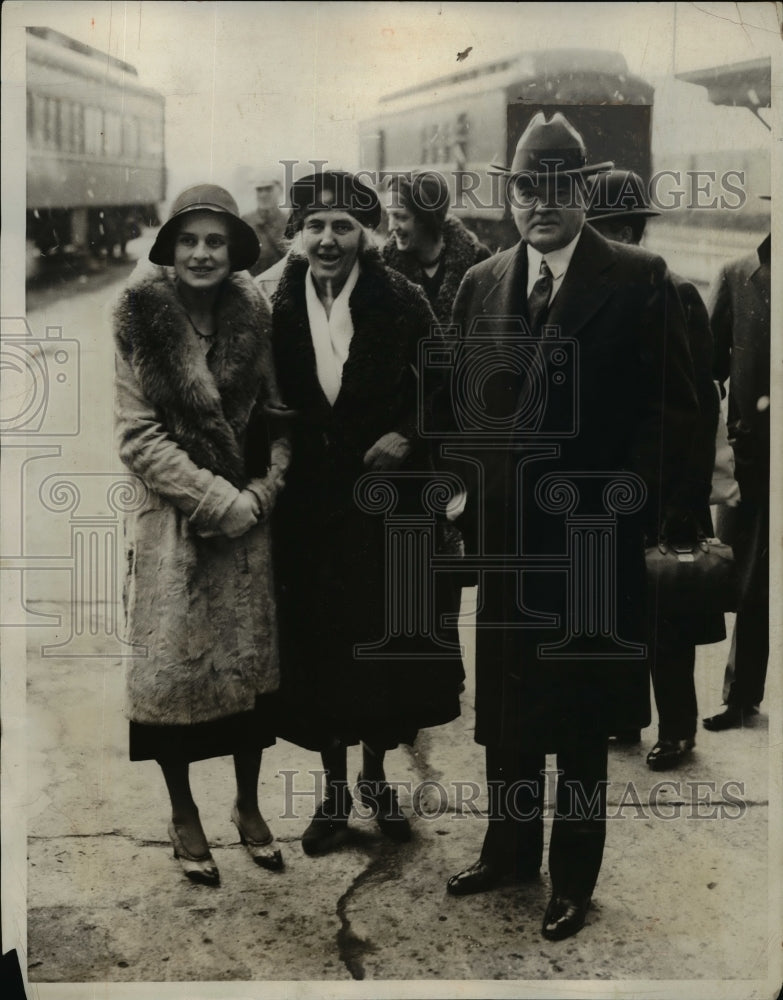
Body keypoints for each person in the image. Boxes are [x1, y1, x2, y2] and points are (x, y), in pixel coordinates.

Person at [441, 115, 699, 940]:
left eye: (558, 187)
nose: (540, 203)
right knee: (508, 707)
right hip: (508, 542)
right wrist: (465, 499)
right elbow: (457, 403)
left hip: (591, 541)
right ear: (509, 195)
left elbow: (674, 410)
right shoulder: (482, 281)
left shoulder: (639, 278)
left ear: (583, 192)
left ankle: (573, 877)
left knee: (583, 718)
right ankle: (509, 851)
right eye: (526, 187)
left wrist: (628, 504)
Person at [269, 170, 464, 855]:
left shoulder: (401, 298)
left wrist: (408, 434)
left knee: (381, 648)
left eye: (343, 226)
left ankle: (376, 778)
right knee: (319, 647)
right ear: (297, 234)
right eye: (315, 226)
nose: (328, 239)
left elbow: (447, 381)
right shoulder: (272, 301)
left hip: (386, 507)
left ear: (365, 235)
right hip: (307, 509)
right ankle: (331, 793)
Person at [114, 184, 290, 886]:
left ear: (234, 251)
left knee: (247, 672)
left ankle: (248, 804)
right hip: (176, 524)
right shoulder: (139, 319)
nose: (201, 254)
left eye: (216, 241)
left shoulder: (256, 316)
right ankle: (183, 812)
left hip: (249, 525)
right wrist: (218, 501)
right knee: (173, 676)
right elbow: (138, 437)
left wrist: (263, 493)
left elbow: (280, 418)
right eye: (188, 240)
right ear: (170, 249)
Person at [587, 170, 726, 768]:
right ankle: (624, 714)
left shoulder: (674, 292)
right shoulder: (595, 293)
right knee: (618, 603)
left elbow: (700, 402)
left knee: (668, 610)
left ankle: (678, 728)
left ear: (627, 231)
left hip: (666, 487)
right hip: (613, 483)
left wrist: (685, 498)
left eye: (606, 231)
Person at [702, 228, 771, 731]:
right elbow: (706, 370)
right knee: (749, 579)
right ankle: (741, 696)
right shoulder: (737, 275)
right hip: (755, 459)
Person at [382, 171, 491, 323]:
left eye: (401, 217)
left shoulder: (479, 260)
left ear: (427, 219)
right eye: (389, 216)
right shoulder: (385, 265)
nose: (391, 227)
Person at [242, 175, 290, 277]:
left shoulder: (289, 222)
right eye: (259, 190)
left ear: (280, 190)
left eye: (268, 189)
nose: (263, 195)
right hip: (254, 282)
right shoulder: (245, 221)